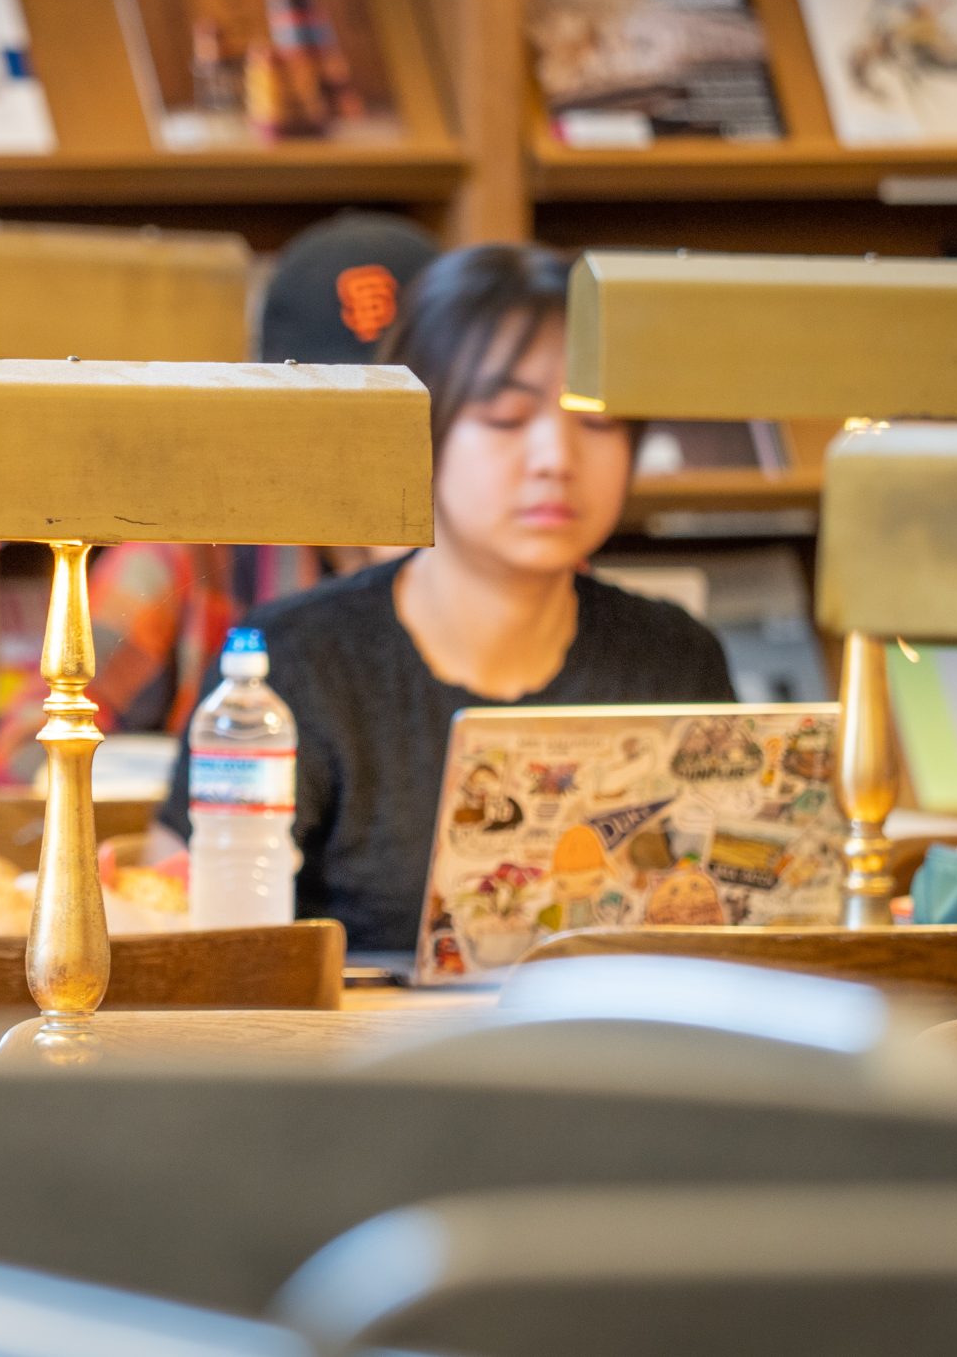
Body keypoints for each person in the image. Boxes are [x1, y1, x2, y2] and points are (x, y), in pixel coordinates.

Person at [155, 243, 736, 955]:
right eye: (504, 416)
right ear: (422, 431)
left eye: (597, 420)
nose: (556, 457)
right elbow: (185, 910)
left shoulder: (674, 661)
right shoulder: (295, 659)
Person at [0, 213, 439, 810]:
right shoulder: (187, 549)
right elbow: (23, 757)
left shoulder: (510, 561)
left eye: (413, 407)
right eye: (341, 401)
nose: (375, 439)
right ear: (275, 402)